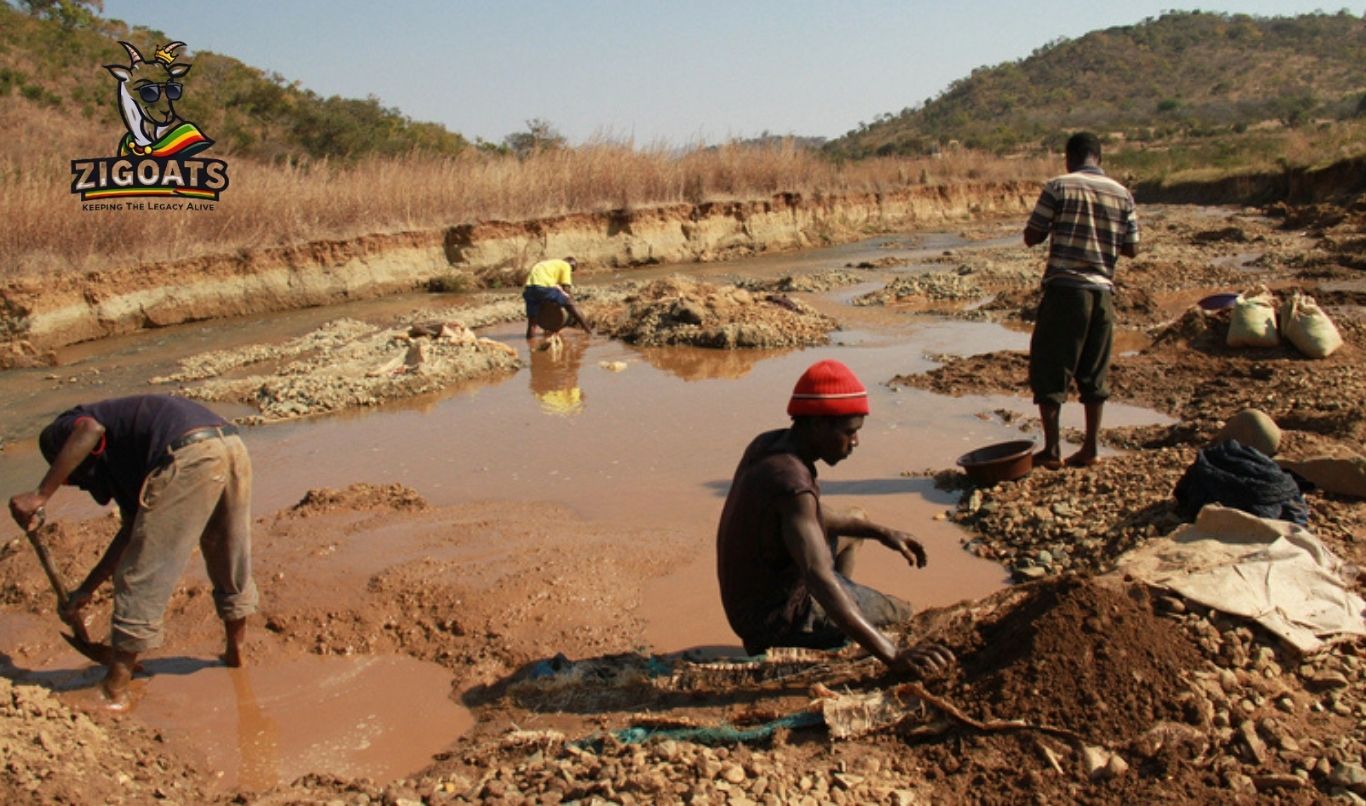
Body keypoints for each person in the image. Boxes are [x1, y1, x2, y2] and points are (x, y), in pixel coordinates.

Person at [8, 395, 258, 707]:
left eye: (73, 477)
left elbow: (89, 429)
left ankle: (114, 689)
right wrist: (85, 590)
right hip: (230, 445)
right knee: (229, 555)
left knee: (142, 572)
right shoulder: (130, 455)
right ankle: (236, 654)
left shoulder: (61, 430)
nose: (79, 484)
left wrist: (41, 494)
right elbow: (130, 532)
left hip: (186, 454)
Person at [716, 359, 954, 676]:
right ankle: (836, 628)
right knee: (902, 615)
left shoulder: (768, 445)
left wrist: (882, 532)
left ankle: (843, 617)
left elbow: (811, 517)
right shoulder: (792, 484)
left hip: (754, 600)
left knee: (856, 519)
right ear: (817, 424)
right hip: (775, 621)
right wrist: (894, 655)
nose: (855, 442)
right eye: (849, 432)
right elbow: (819, 578)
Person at [1023, 131, 1140, 470]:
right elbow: (1132, 248)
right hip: (1102, 293)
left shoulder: (1059, 187)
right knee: (1094, 371)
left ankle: (1052, 450)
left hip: (1065, 291)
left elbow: (1032, 236)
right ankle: (1090, 448)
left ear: (1070, 157)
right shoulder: (1122, 194)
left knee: (1050, 368)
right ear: (1098, 158)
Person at [522, 256, 592, 338]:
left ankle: (530, 341)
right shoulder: (566, 265)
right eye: (571, 270)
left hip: (529, 290)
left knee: (532, 323)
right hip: (543, 288)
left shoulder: (549, 264)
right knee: (569, 303)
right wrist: (570, 301)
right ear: (571, 266)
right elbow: (566, 289)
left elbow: (546, 283)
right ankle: (588, 331)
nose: (570, 273)